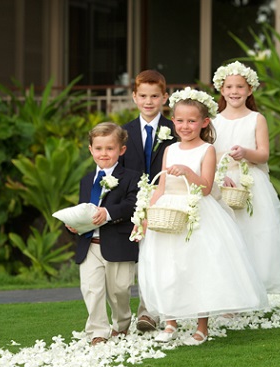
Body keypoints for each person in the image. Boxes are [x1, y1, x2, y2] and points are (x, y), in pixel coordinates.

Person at [134, 87, 268, 346]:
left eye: (192, 121)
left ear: (204, 122)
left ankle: (201, 326)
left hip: (196, 212)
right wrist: (146, 215)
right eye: (180, 121)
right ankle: (170, 322)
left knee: (197, 268)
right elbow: (161, 187)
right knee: (168, 269)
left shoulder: (207, 150)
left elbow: (206, 187)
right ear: (173, 121)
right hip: (169, 215)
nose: (185, 126)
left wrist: (186, 172)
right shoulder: (169, 150)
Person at [211, 61, 280, 294]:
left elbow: (263, 153)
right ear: (221, 89)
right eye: (229, 87)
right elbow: (207, 153)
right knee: (226, 236)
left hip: (250, 183)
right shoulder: (214, 121)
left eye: (240, 87)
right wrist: (219, 172)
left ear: (250, 90)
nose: (234, 92)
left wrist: (245, 153)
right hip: (222, 181)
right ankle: (230, 290)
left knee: (254, 234)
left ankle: (255, 289)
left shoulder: (256, 119)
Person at [69, 122, 141, 346]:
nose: (104, 153)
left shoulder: (132, 177)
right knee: (91, 289)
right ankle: (98, 331)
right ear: (91, 149)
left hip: (118, 243)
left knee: (119, 290)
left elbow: (132, 205)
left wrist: (108, 212)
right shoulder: (86, 179)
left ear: (121, 150)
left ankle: (122, 323)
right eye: (98, 148)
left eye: (110, 148)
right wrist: (74, 224)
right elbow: (85, 208)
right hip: (89, 243)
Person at [120, 70, 176, 333]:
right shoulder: (124, 133)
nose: (149, 101)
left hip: (166, 201)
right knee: (141, 259)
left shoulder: (175, 130)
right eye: (143, 96)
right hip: (134, 204)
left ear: (165, 97)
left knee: (159, 258)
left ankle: (150, 313)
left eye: (155, 96)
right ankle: (145, 311)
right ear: (134, 97)